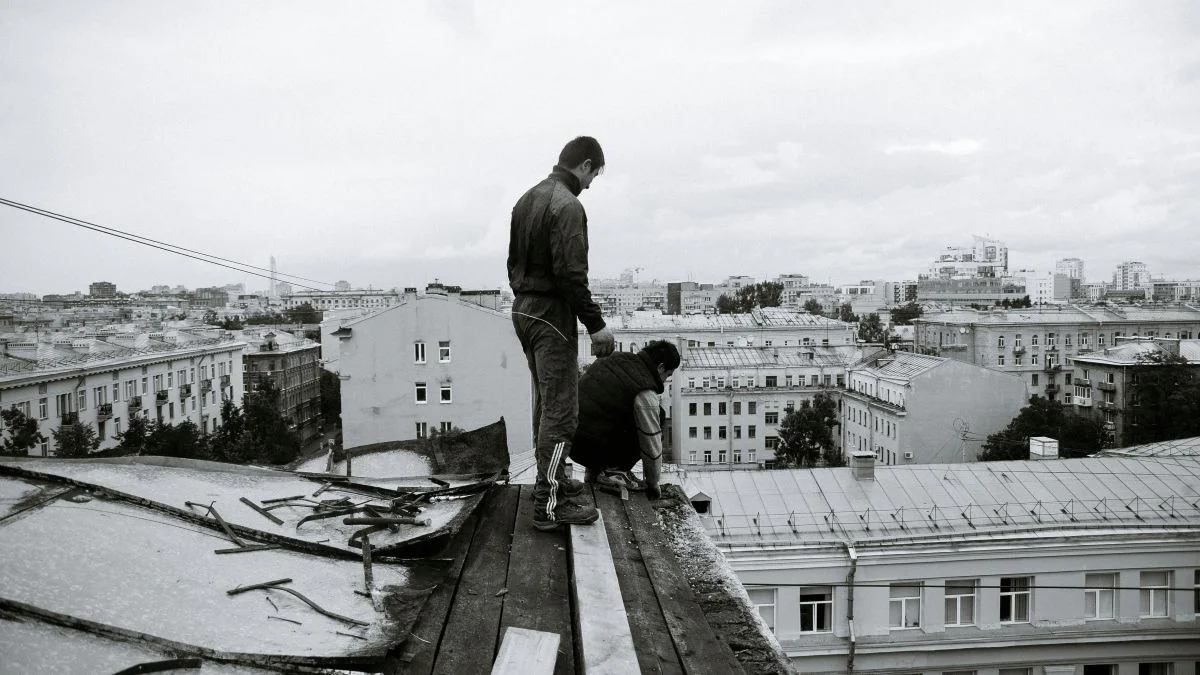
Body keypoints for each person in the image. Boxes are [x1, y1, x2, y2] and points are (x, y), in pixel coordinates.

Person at [508, 136, 615, 531]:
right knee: (562, 412)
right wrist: (596, 324)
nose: (590, 185)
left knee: (545, 404)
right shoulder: (568, 206)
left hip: (524, 308)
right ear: (585, 165)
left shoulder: (527, 199)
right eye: (593, 176)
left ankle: (552, 481)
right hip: (551, 314)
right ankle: (549, 504)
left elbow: (512, 262)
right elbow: (571, 273)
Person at [571, 340, 679, 500]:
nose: (665, 380)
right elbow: (651, 442)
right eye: (667, 375)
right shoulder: (644, 389)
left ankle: (597, 472)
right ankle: (614, 471)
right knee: (658, 416)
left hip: (571, 438)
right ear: (661, 367)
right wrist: (653, 483)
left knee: (611, 412)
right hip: (590, 448)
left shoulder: (616, 358)